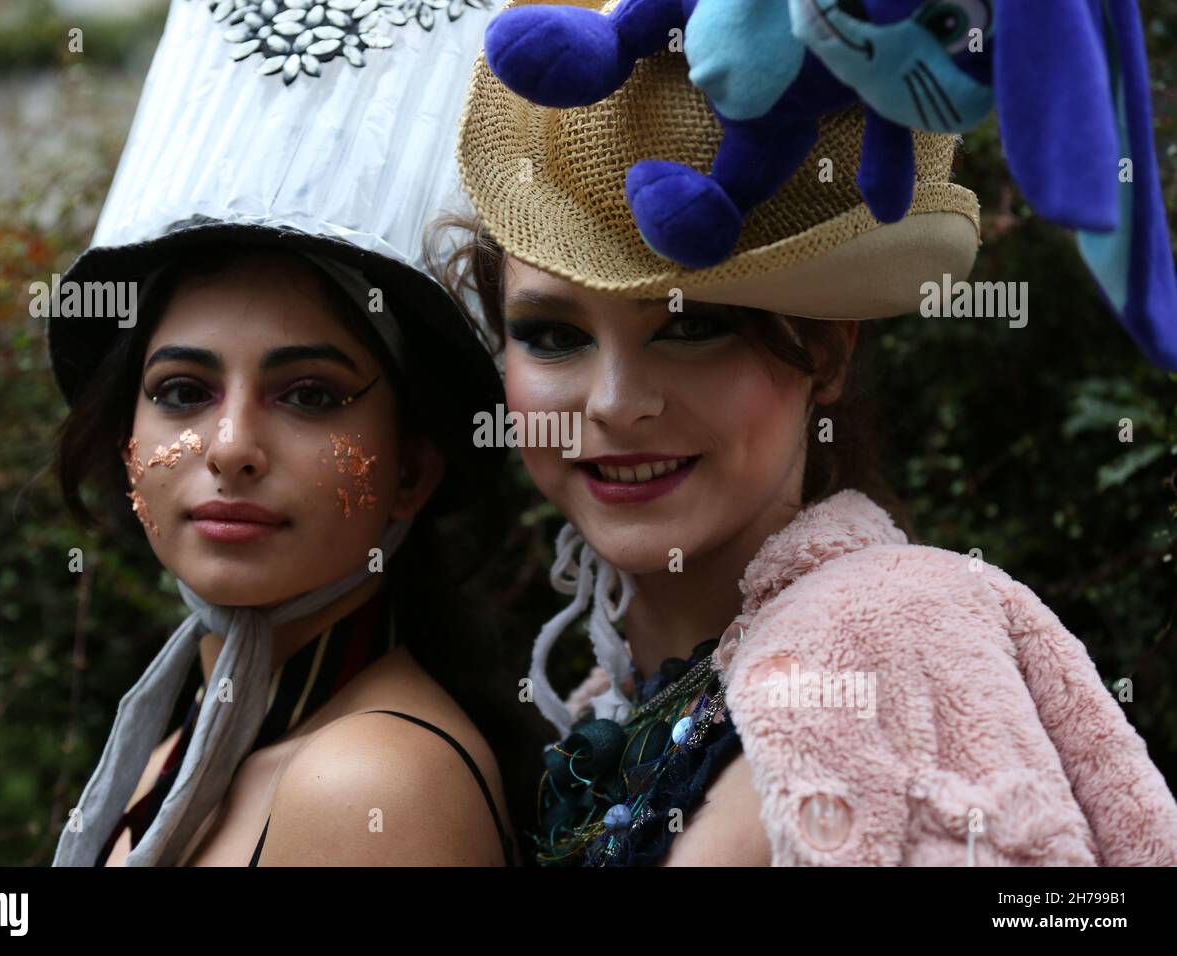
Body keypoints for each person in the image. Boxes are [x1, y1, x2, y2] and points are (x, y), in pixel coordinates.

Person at [432, 0, 1177, 865]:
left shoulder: (885, 638)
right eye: (553, 335)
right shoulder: (620, 695)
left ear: (825, 355)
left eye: (691, 327)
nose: (614, 402)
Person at [47, 0, 518, 866]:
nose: (230, 446)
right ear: (126, 446)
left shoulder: (374, 785)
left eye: (308, 395)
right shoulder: (177, 752)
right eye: (182, 391)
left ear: (413, 467)